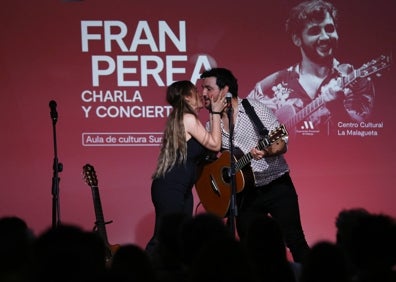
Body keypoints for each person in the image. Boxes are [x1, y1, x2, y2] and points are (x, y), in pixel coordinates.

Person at [200, 67, 310, 263]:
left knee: (295, 240)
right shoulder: (211, 123)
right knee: (251, 249)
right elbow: (212, 162)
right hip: (245, 194)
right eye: (202, 89)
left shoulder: (253, 108)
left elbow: (281, 141)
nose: (203, 94)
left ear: (225, 90)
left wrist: (267, 151)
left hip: (276, 185)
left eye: (208, 88)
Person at [247, 0, 375, 136]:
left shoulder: (356, 79)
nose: (325, 37)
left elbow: (361, 140)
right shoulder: (275, 83)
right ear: (297, 39)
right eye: (315, 31)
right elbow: (239, 125)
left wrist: (338, 110)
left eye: (330, 29)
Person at [145, 80, 227, 257]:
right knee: (164, 237)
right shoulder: (187, 118)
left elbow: (213, 150)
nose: (200, 95)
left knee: (181, 237)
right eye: (196, 92)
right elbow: (214, 144)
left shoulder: (185, 118)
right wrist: (215, 113)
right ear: (186, 97)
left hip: (181, 187)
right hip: (171, 186)